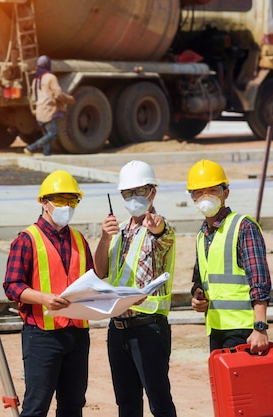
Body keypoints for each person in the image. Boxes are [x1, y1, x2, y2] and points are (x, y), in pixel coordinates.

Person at [3, 169, 95, 417]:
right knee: (36, 407)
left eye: (72, 201)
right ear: (44, 202)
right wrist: (43, 298)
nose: (67, 206)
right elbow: (12, 285)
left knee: (73, 406)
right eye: (61, 200)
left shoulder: (79, 239)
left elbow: (91, 279)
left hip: (77, 334)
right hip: (42, 336)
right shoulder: (27, 239)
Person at [93, 160, 177, 417]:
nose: (133, 198)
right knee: (126, 403)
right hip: (118, 329)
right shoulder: (117, 232)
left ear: (153, 191)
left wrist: (157, 227)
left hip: (148, 328)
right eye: (127, 193)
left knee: (159, 401)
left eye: (139, 191)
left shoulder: (160, 228)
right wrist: (104, 238)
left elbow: (163, 234)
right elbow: (100, 271)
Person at [187, 159, 272, 354]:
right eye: (199, 192)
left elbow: (259, 280)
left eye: (212, 190)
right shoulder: (202, 235)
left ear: (226, 192)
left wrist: (260, 327)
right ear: (192, 198)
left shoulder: (243, 227)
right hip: (215, 329)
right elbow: (200, 281)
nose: (205, 197)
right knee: (222, 384)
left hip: (243, 330)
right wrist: (198, 297)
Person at [24, 55, 74, 157]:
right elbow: (58, 94)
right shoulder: (51, 78)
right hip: (49, 111)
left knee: (46, 133)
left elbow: (34, 97)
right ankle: (31, 148)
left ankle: (47, 154)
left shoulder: (36, 80)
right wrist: (66, 100)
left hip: (39, 111)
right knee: (53, 134)